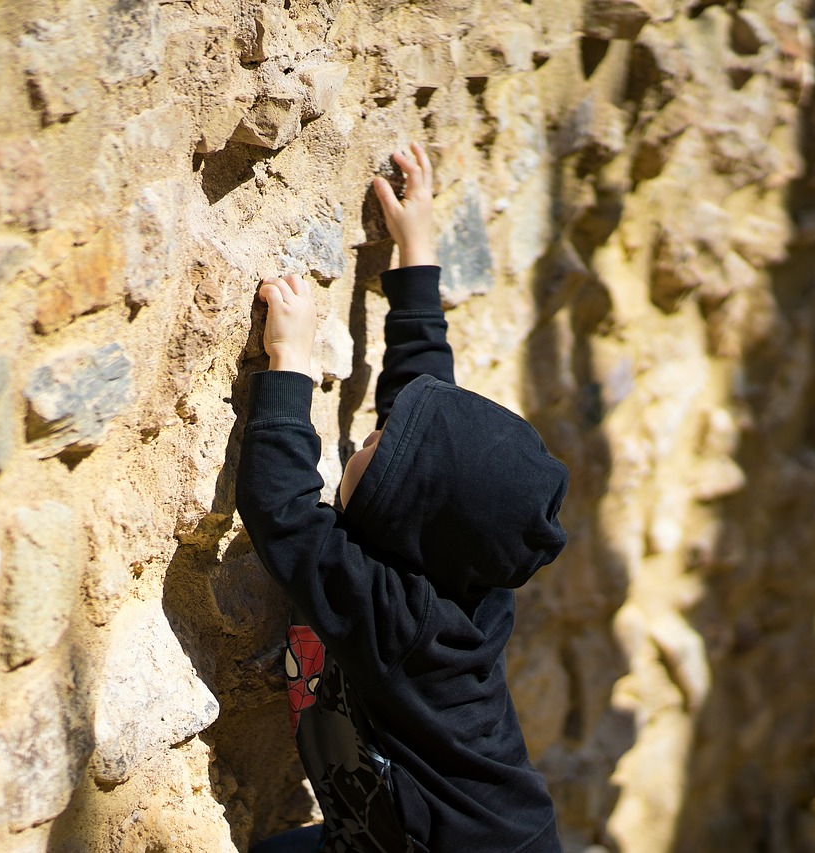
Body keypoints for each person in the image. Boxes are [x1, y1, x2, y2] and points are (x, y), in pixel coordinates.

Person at [235, 141, 570, 852]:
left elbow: (284, 512)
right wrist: (415, 254)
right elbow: (426, 401)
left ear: (409, 512)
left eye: (381, 449)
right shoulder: (455, 557)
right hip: (423, 829)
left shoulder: (398, 617)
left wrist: (289, 366)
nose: (367, 438)